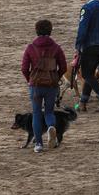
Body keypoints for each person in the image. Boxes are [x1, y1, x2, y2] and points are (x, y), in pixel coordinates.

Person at [20, 19, 67, 153]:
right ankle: (51, 126)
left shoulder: (30, 48)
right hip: (51, 85)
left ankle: (39, 144)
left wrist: (30, 80)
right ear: (50, 31)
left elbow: (24, 68)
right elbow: (63, 67)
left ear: (36, 31)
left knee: (36, 113)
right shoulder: (56, 48)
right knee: (49, 111)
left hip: (35, 85)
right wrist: (56, 77)